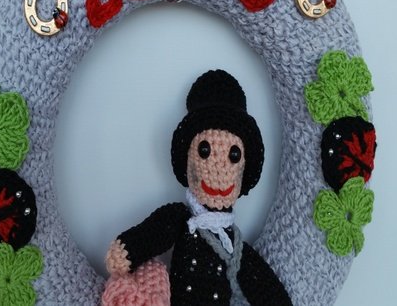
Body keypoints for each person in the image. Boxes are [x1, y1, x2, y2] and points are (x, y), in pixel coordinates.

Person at [105, 70, 292, 305]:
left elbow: (259, 281)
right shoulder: (181, 219)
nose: (219, 169)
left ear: (244, 171)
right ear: (187, 160)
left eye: (234, 156)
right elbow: (155, 233)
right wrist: (128, 250)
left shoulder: (233, 245)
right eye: (204, 151)